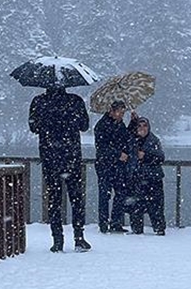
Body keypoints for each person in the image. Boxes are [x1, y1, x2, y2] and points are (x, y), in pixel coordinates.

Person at [28, 85, 91, 253]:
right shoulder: (75, 100)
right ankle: (79, 238)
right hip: (72, 157)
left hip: (50, 157)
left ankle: (57, 240)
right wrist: (70, 119)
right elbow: (85, 126)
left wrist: (49, 122)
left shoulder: (39, 101)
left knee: (54, 200)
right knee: (76, 199)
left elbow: (33, 127)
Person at [94, 100, 131, 233]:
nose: (121, 115)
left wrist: (132, 123)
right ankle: (103, 224)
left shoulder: (120, 125)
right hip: (104, 165)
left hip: (118, 165)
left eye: (123, 112)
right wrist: (117, 154)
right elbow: (102, 147)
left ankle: (116, 222)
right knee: (105, 194)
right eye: (119, 112)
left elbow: (127, 138)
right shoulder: (101, 126)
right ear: (111, 111)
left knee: (120, 193)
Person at [126, 116, 167, 235]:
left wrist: (145, 155)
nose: (142, 128)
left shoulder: (154, 140)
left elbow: (160, 157)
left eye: (145, 126)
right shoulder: (131, 140)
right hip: (136, 178)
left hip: (153, 178)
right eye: (139, 126)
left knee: (156, 205)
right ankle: (136, 229)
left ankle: (159, 229)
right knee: (136, 205)